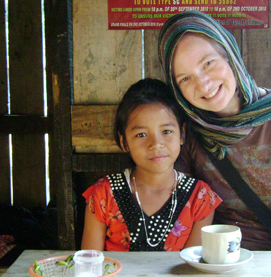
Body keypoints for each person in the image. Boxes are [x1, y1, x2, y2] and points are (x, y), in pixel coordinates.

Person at [158, 11, 271, 251]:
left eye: (208, 63)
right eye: (185, 78)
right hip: (218, 267)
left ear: (230, 55)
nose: (203, 84)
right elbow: (179, 222)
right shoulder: (188, 134)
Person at [81, 78, 222, 251]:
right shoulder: (103, 195)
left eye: (166, 132)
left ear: (182, 135)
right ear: (124, 141)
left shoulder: (200, 198)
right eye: (141, 134)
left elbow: (191, 272)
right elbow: (90, 266)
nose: (156, 144)